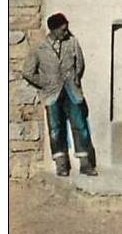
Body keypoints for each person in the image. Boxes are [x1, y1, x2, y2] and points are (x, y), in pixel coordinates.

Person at [22, 13, 97, 176]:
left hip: (72, 91)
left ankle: (86, 164)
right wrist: (45, 83)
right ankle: (61, 164)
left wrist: (75, 78)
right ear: (53, 30)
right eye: (63, 29)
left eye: (67, 28)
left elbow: (80, 63)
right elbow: (27, 72)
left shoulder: (72, 42)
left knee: (80, 126)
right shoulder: (39, 47)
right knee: (56, 129)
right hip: (51, 94)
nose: (66, 31)